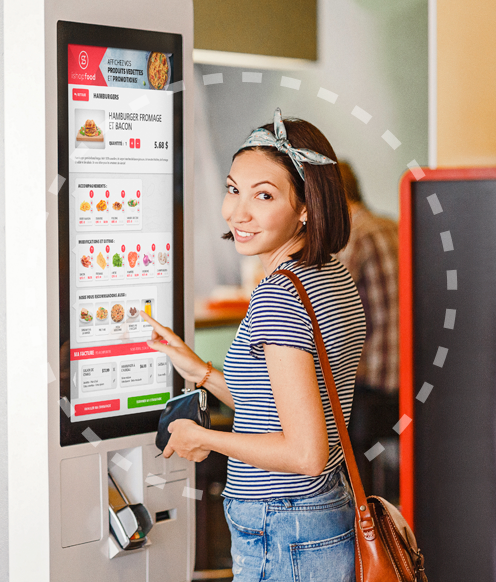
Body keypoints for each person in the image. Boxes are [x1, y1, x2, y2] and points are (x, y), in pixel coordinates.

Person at [142, 109, 365, 581]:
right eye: (232, 188)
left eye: (263, 196)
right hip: (319, 511)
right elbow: (276, 406)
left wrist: (202, 437)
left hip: (282, 522)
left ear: (306, 207)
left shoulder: (279, 294)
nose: (236, 212)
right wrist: (201, 371)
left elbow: (306, 452)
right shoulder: (328, 274)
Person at [336, 161, 400, 501]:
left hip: (371, 383)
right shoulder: (392, 226)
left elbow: (325, 308)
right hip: (407, 379)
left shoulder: (352, 236)